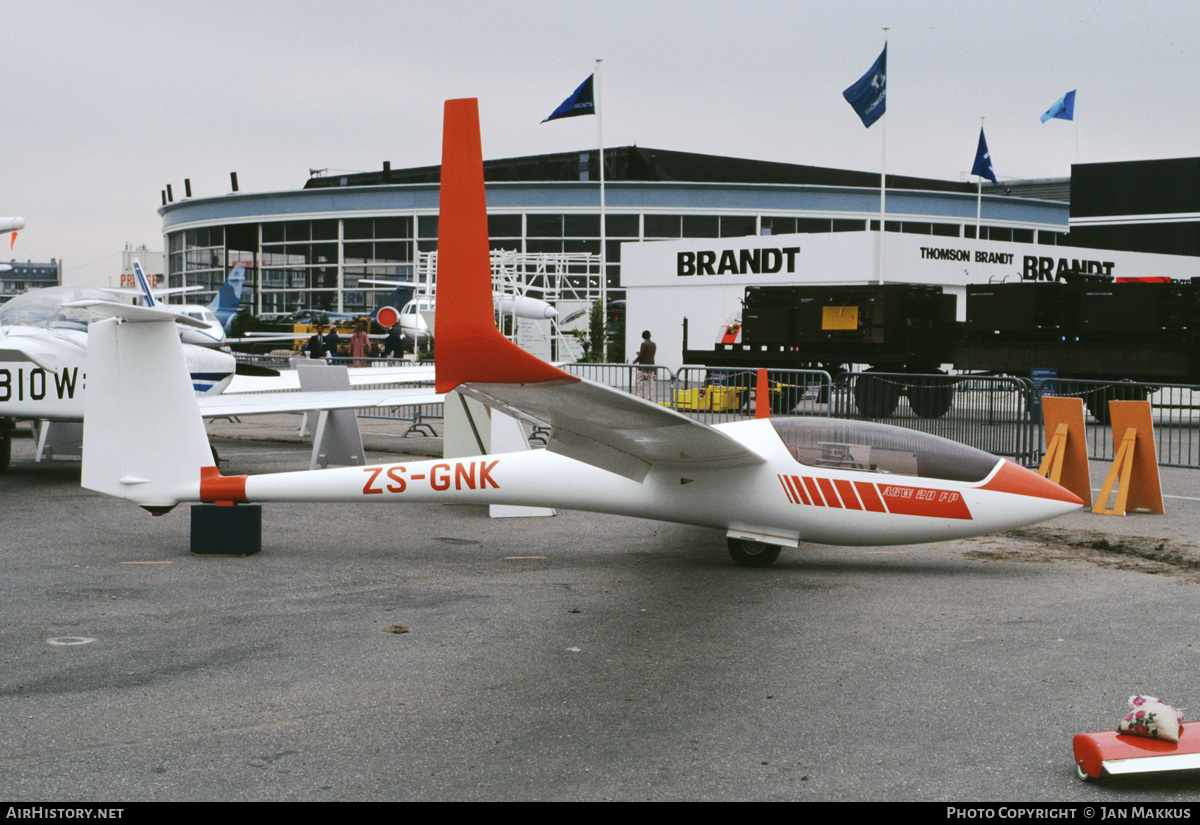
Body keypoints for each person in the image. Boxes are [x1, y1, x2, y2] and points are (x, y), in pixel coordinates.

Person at [632, 329, 656, 397]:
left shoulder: (644, 344)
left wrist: (635, 360)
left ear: (643, 336)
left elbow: (642, 355)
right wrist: (640, 353)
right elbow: (649, 354)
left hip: (643, 365)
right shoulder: (653, 344)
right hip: (651, 365)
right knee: (651, 382)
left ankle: (640, 396)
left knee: (639, 380)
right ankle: (650, 397)